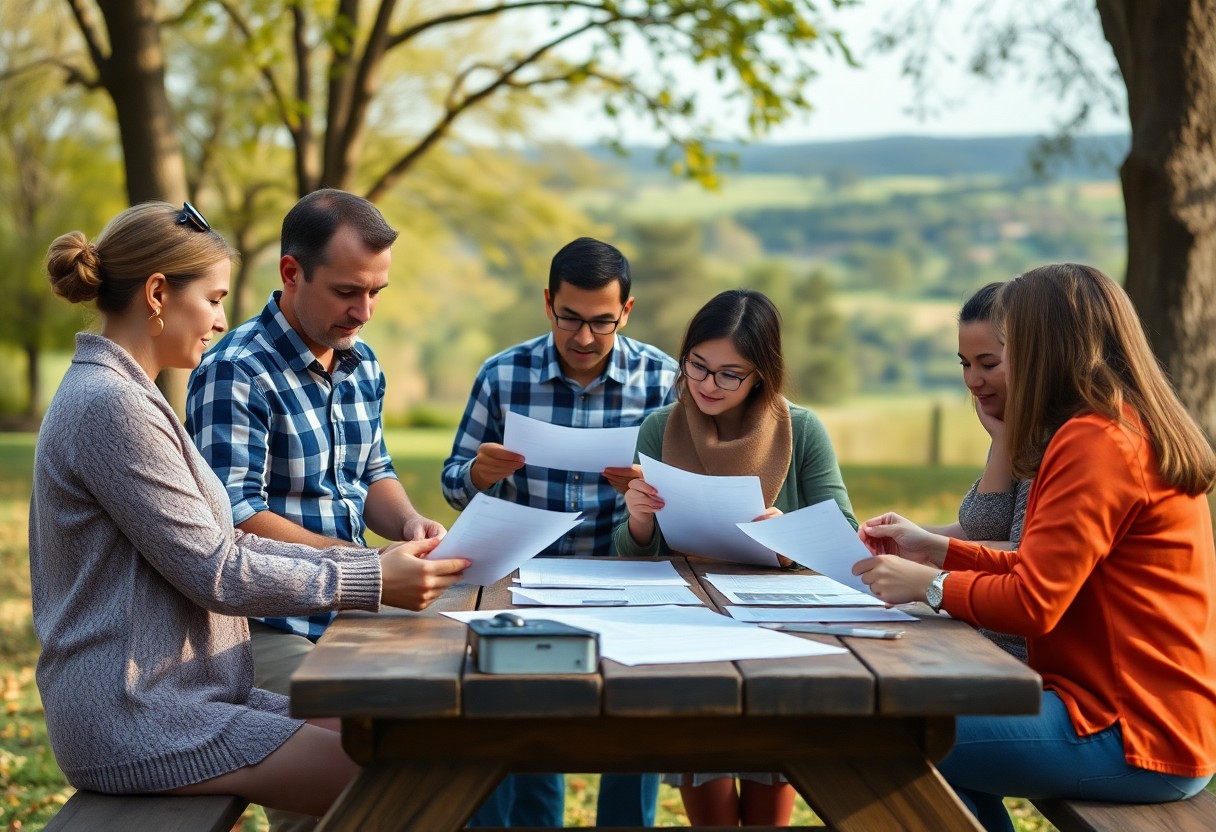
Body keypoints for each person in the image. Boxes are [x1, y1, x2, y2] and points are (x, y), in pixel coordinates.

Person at [30, 202, 468, 818]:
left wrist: (379, 564)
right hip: (135, 712)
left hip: (184, 695)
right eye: (212, 300)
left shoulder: (127, 393)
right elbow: (217, 568)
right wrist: (370, 575)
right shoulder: (111, 404)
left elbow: (223, 547)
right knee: (391, 783)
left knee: (402, 747)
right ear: (158, 294)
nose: (220, 320)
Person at [854, 263, 1216, 832]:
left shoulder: (1096, 443)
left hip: (1131, 732)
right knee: (910, 737)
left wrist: (931, 585)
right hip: (1129, 715)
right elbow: (1044, 568)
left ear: (1048, 346)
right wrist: (940, 551)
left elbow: (1034, 602)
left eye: (1012, 344)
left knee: (890, 734)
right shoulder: (1109, 427)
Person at [185, 189, 457, 832]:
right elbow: (234, 515)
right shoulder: (236, 371)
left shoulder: (363, 366)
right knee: (355, 776)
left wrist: (409, 524)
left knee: (454, 707)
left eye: (376, 292)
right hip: (266, 623)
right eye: (345, 292)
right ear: (290, 273)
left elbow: (373, 473)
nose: (363, 311)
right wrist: (367, 565)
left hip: (355, 602)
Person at [442, 237, 678, 828]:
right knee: (517, 721)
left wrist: (653, 489)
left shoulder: (661, 380)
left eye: (602, 322)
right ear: (548, 302)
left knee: (633, 723)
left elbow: (689, 499)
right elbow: (452, 483)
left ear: (627, 311)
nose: (583, 338)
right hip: (520, 583)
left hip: (627, 577)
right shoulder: (503, 375)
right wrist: (478, 473)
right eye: (570, 318)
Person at [614, 288, 857, 826]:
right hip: (686, 621)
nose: (706, 385)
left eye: (730, 374)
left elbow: (846, 533)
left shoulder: (802, 429)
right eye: (697, 366)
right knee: (703, 752)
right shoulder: (660, 427)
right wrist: (639, 517)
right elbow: (632, 552)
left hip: (779, 622)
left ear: (761, 375)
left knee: (771, 760)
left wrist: (791, 535)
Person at [924, 282, 1031, 660]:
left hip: (1014, 651)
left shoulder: (1053, 440)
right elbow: (985, 529)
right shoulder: (1009, 426)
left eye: (988, 364)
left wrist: (928, 565)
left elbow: (1022, 554)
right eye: (965, 364)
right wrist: (911, 536)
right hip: (983, 634)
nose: (972, 380)